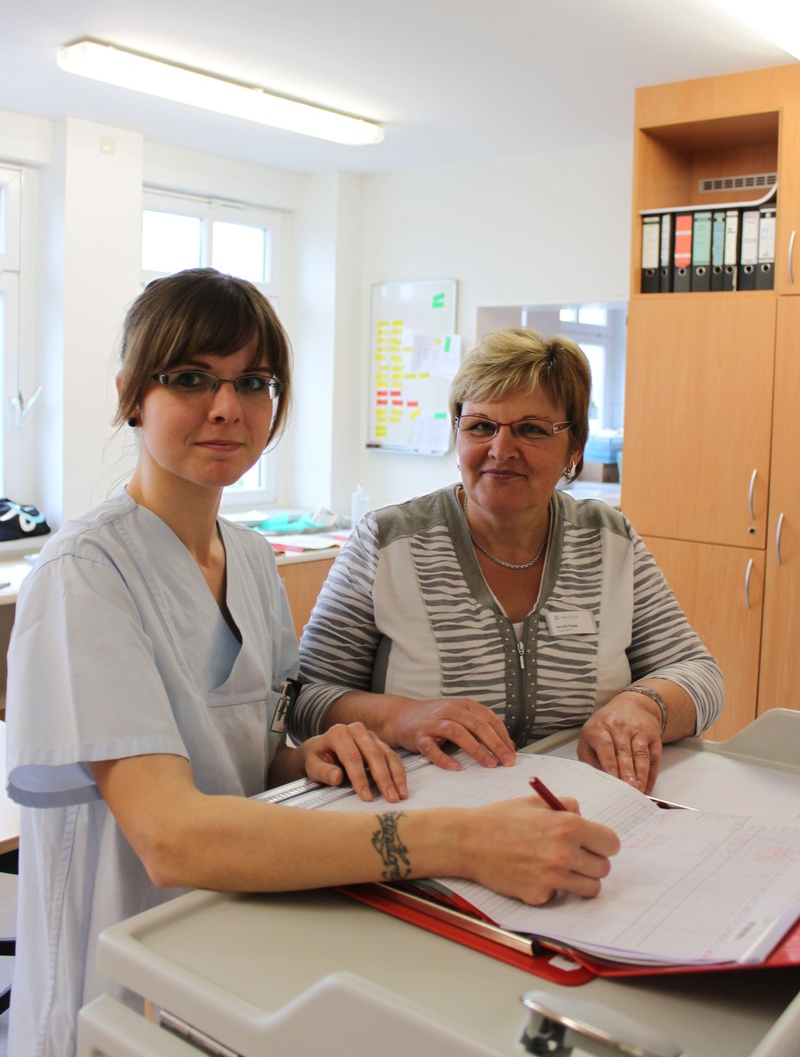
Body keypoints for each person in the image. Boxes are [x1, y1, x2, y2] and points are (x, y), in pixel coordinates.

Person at [4, 277, 619, 1057]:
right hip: (119, 975)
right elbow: (171, 836)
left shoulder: (252, 559)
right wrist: (462, 841)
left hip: (240, 939)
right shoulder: (84, 574)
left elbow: (239, 747)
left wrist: (301, 756)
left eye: (254, 382)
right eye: (190, 378)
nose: (227, 407)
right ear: (131, 395)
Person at [293, 327, 724, 794]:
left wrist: (644, 704)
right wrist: (400, 716)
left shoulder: (608, 539)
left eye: (532, 429)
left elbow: (698, 674)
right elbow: (305, 700)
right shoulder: (387, 542)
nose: (501, 449)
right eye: (481, 426)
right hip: (430, 813)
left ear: (573, 448)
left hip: (583, 804)